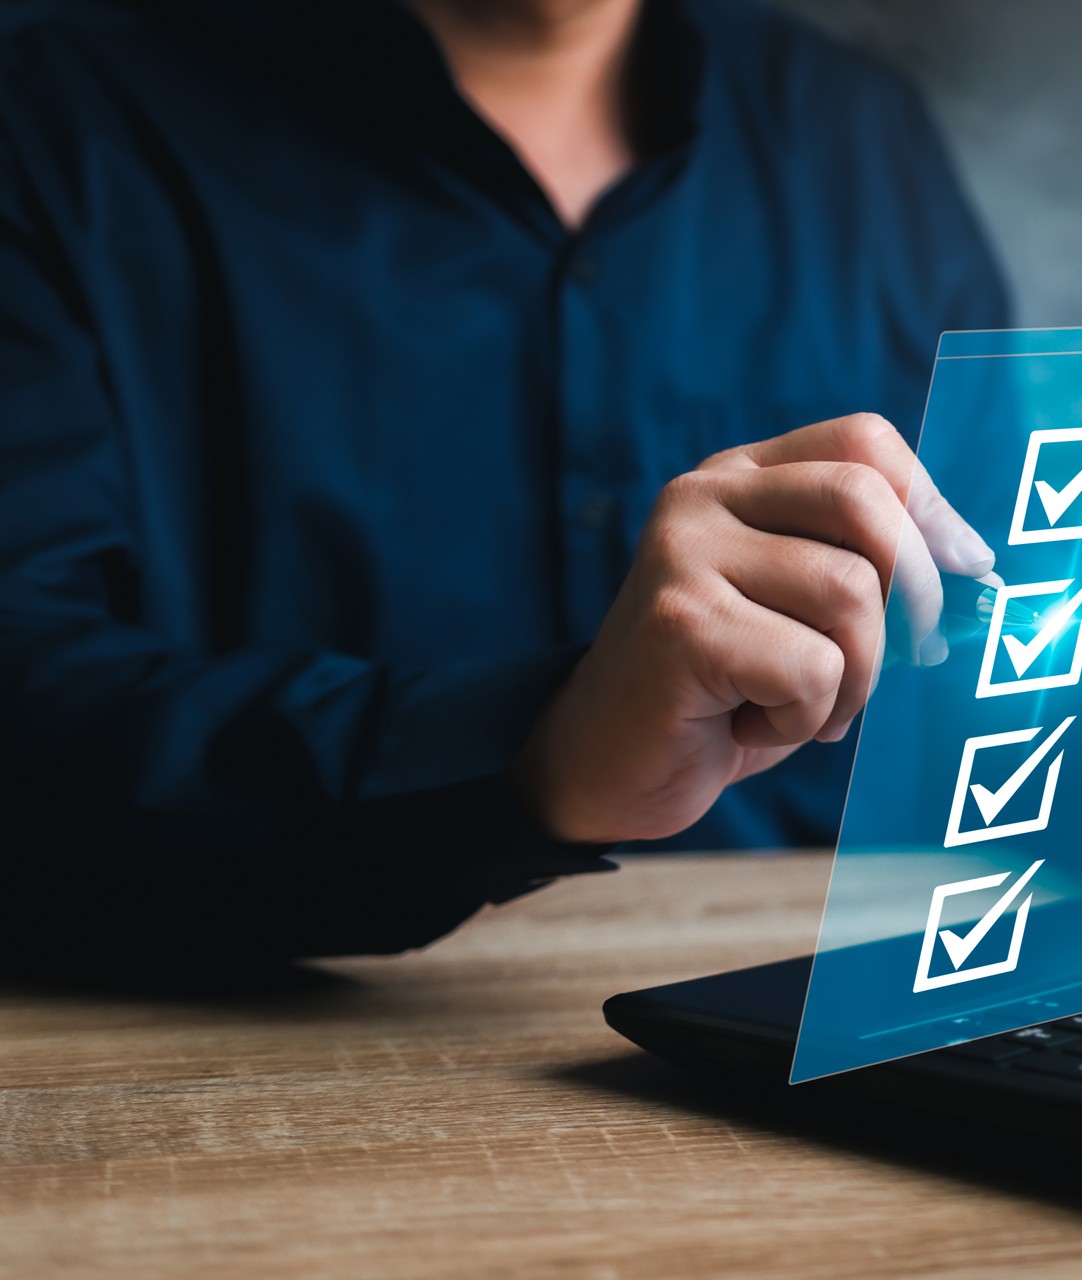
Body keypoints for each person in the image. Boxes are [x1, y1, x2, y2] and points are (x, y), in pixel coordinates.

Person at [0, 0, 1005, 960]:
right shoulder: (51, 121)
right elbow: (30, 708)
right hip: (259, 1048)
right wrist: (538, 752)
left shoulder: (864, 135)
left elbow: (1011, 657)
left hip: (823, 1028)